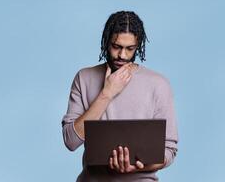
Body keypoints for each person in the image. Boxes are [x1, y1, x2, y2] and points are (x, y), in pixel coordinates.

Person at [61, 11, 178, 182]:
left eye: (130, 49)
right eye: (116, 46)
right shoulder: (84, 78)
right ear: (106, 42)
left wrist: (137, 166)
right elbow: (71, 141)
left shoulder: (158, 84)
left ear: (138, 46)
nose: (122, 55)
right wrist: (107, 93)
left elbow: (169, 151)